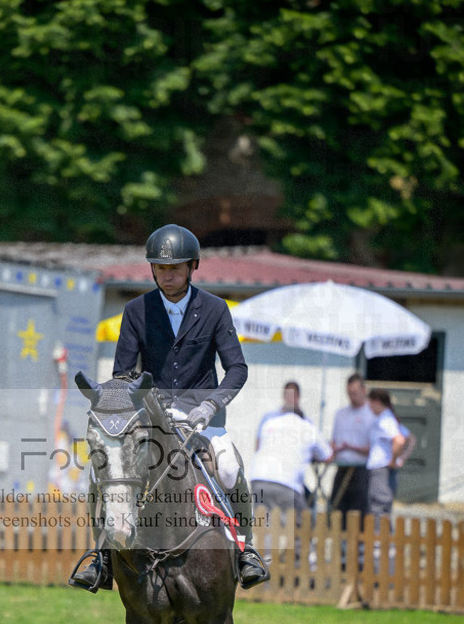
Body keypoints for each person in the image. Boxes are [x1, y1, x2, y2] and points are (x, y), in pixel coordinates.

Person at [70, 223, 269, 593]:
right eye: (161, 269)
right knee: (101, 474)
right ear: (152, 270)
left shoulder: (214, 309)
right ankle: (100, 556)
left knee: (227, 465)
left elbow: (237, 368)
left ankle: (246, 550)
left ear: (193, 266)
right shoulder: (136, 311)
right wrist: (137, 403)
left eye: (175, 268)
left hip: (201, 420)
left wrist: (211, 404)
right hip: (151, 421)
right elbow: (123, 373)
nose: (168, 275)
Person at [250, 381, 332, 522]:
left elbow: (259, 446)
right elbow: (328, 455)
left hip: (258, 477)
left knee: (265, 525)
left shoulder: (270, 422)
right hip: (286, 481)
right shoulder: (307, 426)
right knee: (301, 524)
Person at [328, 373, 374, 526]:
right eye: (349, 393)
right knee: (337, 510)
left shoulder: (372, 414)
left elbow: (373, 448)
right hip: (341, 468)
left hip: (360, 470)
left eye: (354, 393)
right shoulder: (341, 414)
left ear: (363, 390)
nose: (352, 397)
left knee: (358, 513)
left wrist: (350, 447)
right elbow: (334, 441)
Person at [366, 388, 405, 521]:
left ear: (376, 402)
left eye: (370, 403)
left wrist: (393, 460)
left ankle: (378, 541)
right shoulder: (385, 419)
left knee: (379, 507)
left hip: (382, 470)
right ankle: (384, 539)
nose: (369, 407)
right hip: (382, 470)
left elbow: (399, 440)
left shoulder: (385, 420)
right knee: (380, 508)